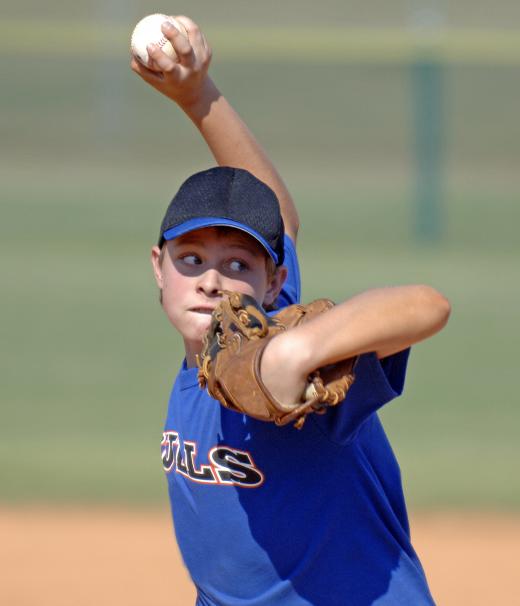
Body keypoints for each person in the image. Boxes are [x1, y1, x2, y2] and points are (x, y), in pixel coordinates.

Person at [131, 16, 450, 606]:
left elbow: (427, 306)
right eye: (192, 258)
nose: (212, 282)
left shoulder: (301, 374)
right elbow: (275, 213)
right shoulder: (221, 340)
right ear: (158, 266)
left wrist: (299, 351)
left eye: (237, 265)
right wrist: (196, 96)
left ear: (275, 281)